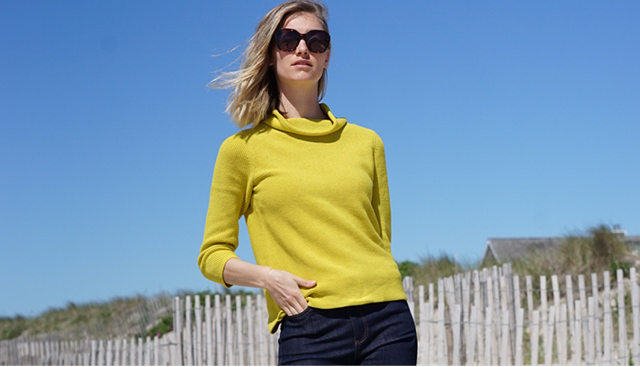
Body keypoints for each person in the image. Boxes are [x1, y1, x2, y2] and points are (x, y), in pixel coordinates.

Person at [198, 0, 417, 364]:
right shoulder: (241, 151)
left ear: (327, 55)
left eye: (316, 41)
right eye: (289, 39)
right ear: (270, 53)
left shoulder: (368, 143)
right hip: (309, 325)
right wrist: (269, 278)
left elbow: (380, 239)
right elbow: (212, 255)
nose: (303, 48)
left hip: (387, 320)